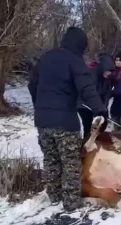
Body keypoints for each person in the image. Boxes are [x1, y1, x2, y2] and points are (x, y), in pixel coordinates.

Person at [28, 26, 108, 212]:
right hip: (65, 122)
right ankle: (71, 204)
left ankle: (54, 196)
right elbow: (87, 89)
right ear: (80, 45)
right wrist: (100, 110)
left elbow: (32, 85)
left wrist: (39, 106)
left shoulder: (45, 58)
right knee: (70, 162)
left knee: (51, 159)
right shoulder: (75, 61)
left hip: (42, 121)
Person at [77, 51, 115, 139]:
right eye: (108, 71)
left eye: (110, 72)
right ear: (102, 68)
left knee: (102, 125)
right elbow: (89, 93)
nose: (109, 74)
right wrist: (98, 108)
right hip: (84, 104)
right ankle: (86, 145)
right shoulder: (90, 75)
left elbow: (107, 93)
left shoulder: (107, 79)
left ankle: (97, 142)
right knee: (88, 126)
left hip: (97, 105)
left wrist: (104, 106)